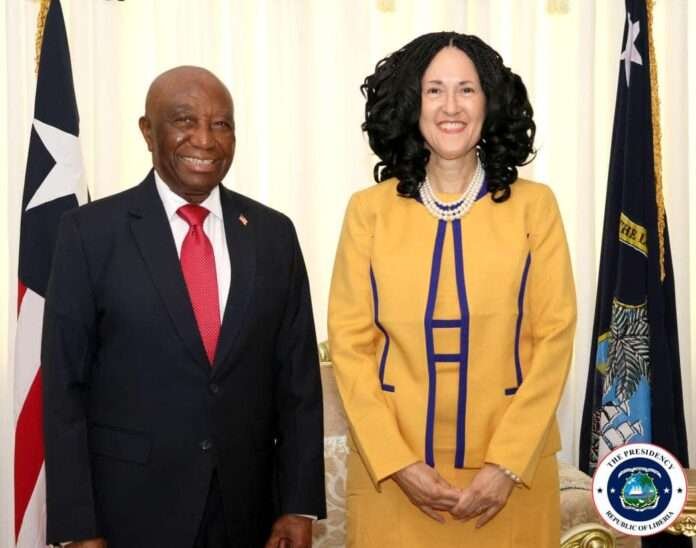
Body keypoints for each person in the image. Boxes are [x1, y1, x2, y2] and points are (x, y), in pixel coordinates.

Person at [42, 66, 325, 548]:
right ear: (147, 131)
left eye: (221, 124)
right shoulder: (89, 234)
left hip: (248, 512)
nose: (205, 139)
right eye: (184, 121)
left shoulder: (273, 235)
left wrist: (298, 504)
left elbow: (298, 381)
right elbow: (64, 389)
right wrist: (77, 528)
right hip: (129, 512)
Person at [328, 32, 576, 547]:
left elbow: (554, 340)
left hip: (513, 483)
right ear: (411, 103)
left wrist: (506, 464)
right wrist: (397, 463)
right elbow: (350, 347)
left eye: (466, 89)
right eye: (434, 90)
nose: (451, 107)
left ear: (490, 101)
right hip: (392, 484)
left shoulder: (536, 208)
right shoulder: (367, 212)